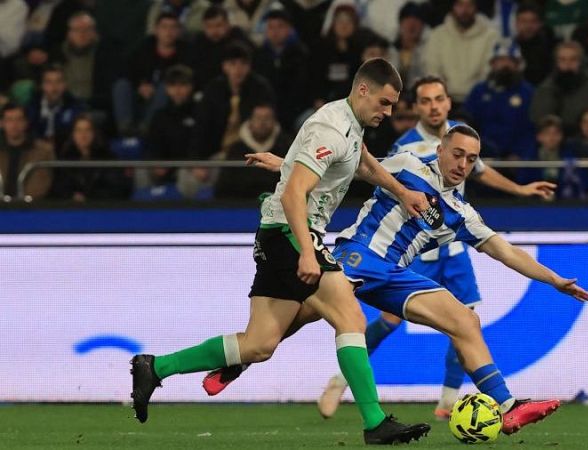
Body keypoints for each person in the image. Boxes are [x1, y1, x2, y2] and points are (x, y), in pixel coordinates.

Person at [202, 76, 558, 422]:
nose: (463, 166)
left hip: (397, 273)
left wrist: (556, 281)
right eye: (458, 156)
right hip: (357, 254)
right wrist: (285, 165)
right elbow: (348, 167)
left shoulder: (463, 214)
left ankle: (508, 408)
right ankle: (242, 358)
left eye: (470, 160)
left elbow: (506, 251)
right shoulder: (406, 161)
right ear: (440, 150)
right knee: (295, 318)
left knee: (466, 320)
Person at [130, 58, 433, 445]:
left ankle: (155, 368)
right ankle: (374, 422)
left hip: (278, 233)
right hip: (293, 232)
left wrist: (403, 192)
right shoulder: (332, 128)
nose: (389, 112)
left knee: (259, 344)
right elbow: (293, 193)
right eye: (385, 103)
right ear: (363, 90)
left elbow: (363, 163)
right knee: (351, 318)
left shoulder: (347, 123)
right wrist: (308, 251)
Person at [422, 0, 500, 104]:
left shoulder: (491, 36)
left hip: (479, 100)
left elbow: (488, 70)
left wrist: (475, 93)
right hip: (444, 101)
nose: (465, 10)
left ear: (476, 7)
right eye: (460, 5)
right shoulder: (437, 35)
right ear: (453, 7)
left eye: (469, 5)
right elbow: (432, 68)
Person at [215, 102, 292, 198]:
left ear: (274, 121)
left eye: (267, 118)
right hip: (241, 205)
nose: (262, 123)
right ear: (250, 122)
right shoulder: (236, 149)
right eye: (258, 118)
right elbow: (224, 187)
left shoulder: (287, 146)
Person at [530, 41, 588, 136]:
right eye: (562, 60)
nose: (567, 64)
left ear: (581, 62)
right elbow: (539, 122)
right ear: (556, 63)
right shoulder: (545, 89)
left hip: (584, 143)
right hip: (553, 143)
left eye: (573, 59)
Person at [51, 113, 130, 201]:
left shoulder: (108, 158)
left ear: (95, 133)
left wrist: (88, 198)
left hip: (101, 208)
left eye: (88, 130)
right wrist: (71, 196)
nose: (83, 135)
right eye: (78, 130)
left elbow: (116, 189)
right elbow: (58, 188)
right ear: (73, 135)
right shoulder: (65, 159)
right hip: (71, 208)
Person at [0, 102, 55, 200]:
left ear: (25, 123)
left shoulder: (43, 151)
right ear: (2, 123)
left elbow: (39, 184)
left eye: (19, 119)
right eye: (9, 120)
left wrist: (22, 204)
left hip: (30, 210)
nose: (14, 125)